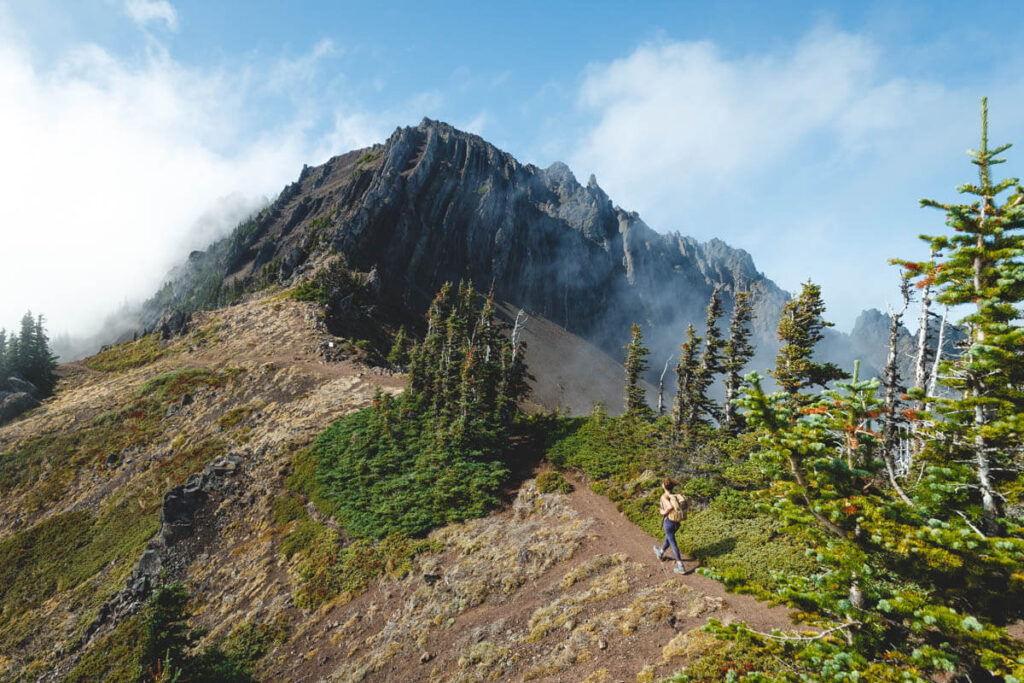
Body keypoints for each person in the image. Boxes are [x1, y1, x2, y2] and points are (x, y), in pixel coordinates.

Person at [653, 479, 693, 574]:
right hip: (676, 523)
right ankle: (661, 552)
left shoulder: (664, 496)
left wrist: (663, 512)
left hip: (669, 523)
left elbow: (670, 507)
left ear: (664, 486)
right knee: (669, 538)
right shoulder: (674, 495)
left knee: (673, 543)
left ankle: (680, 565)